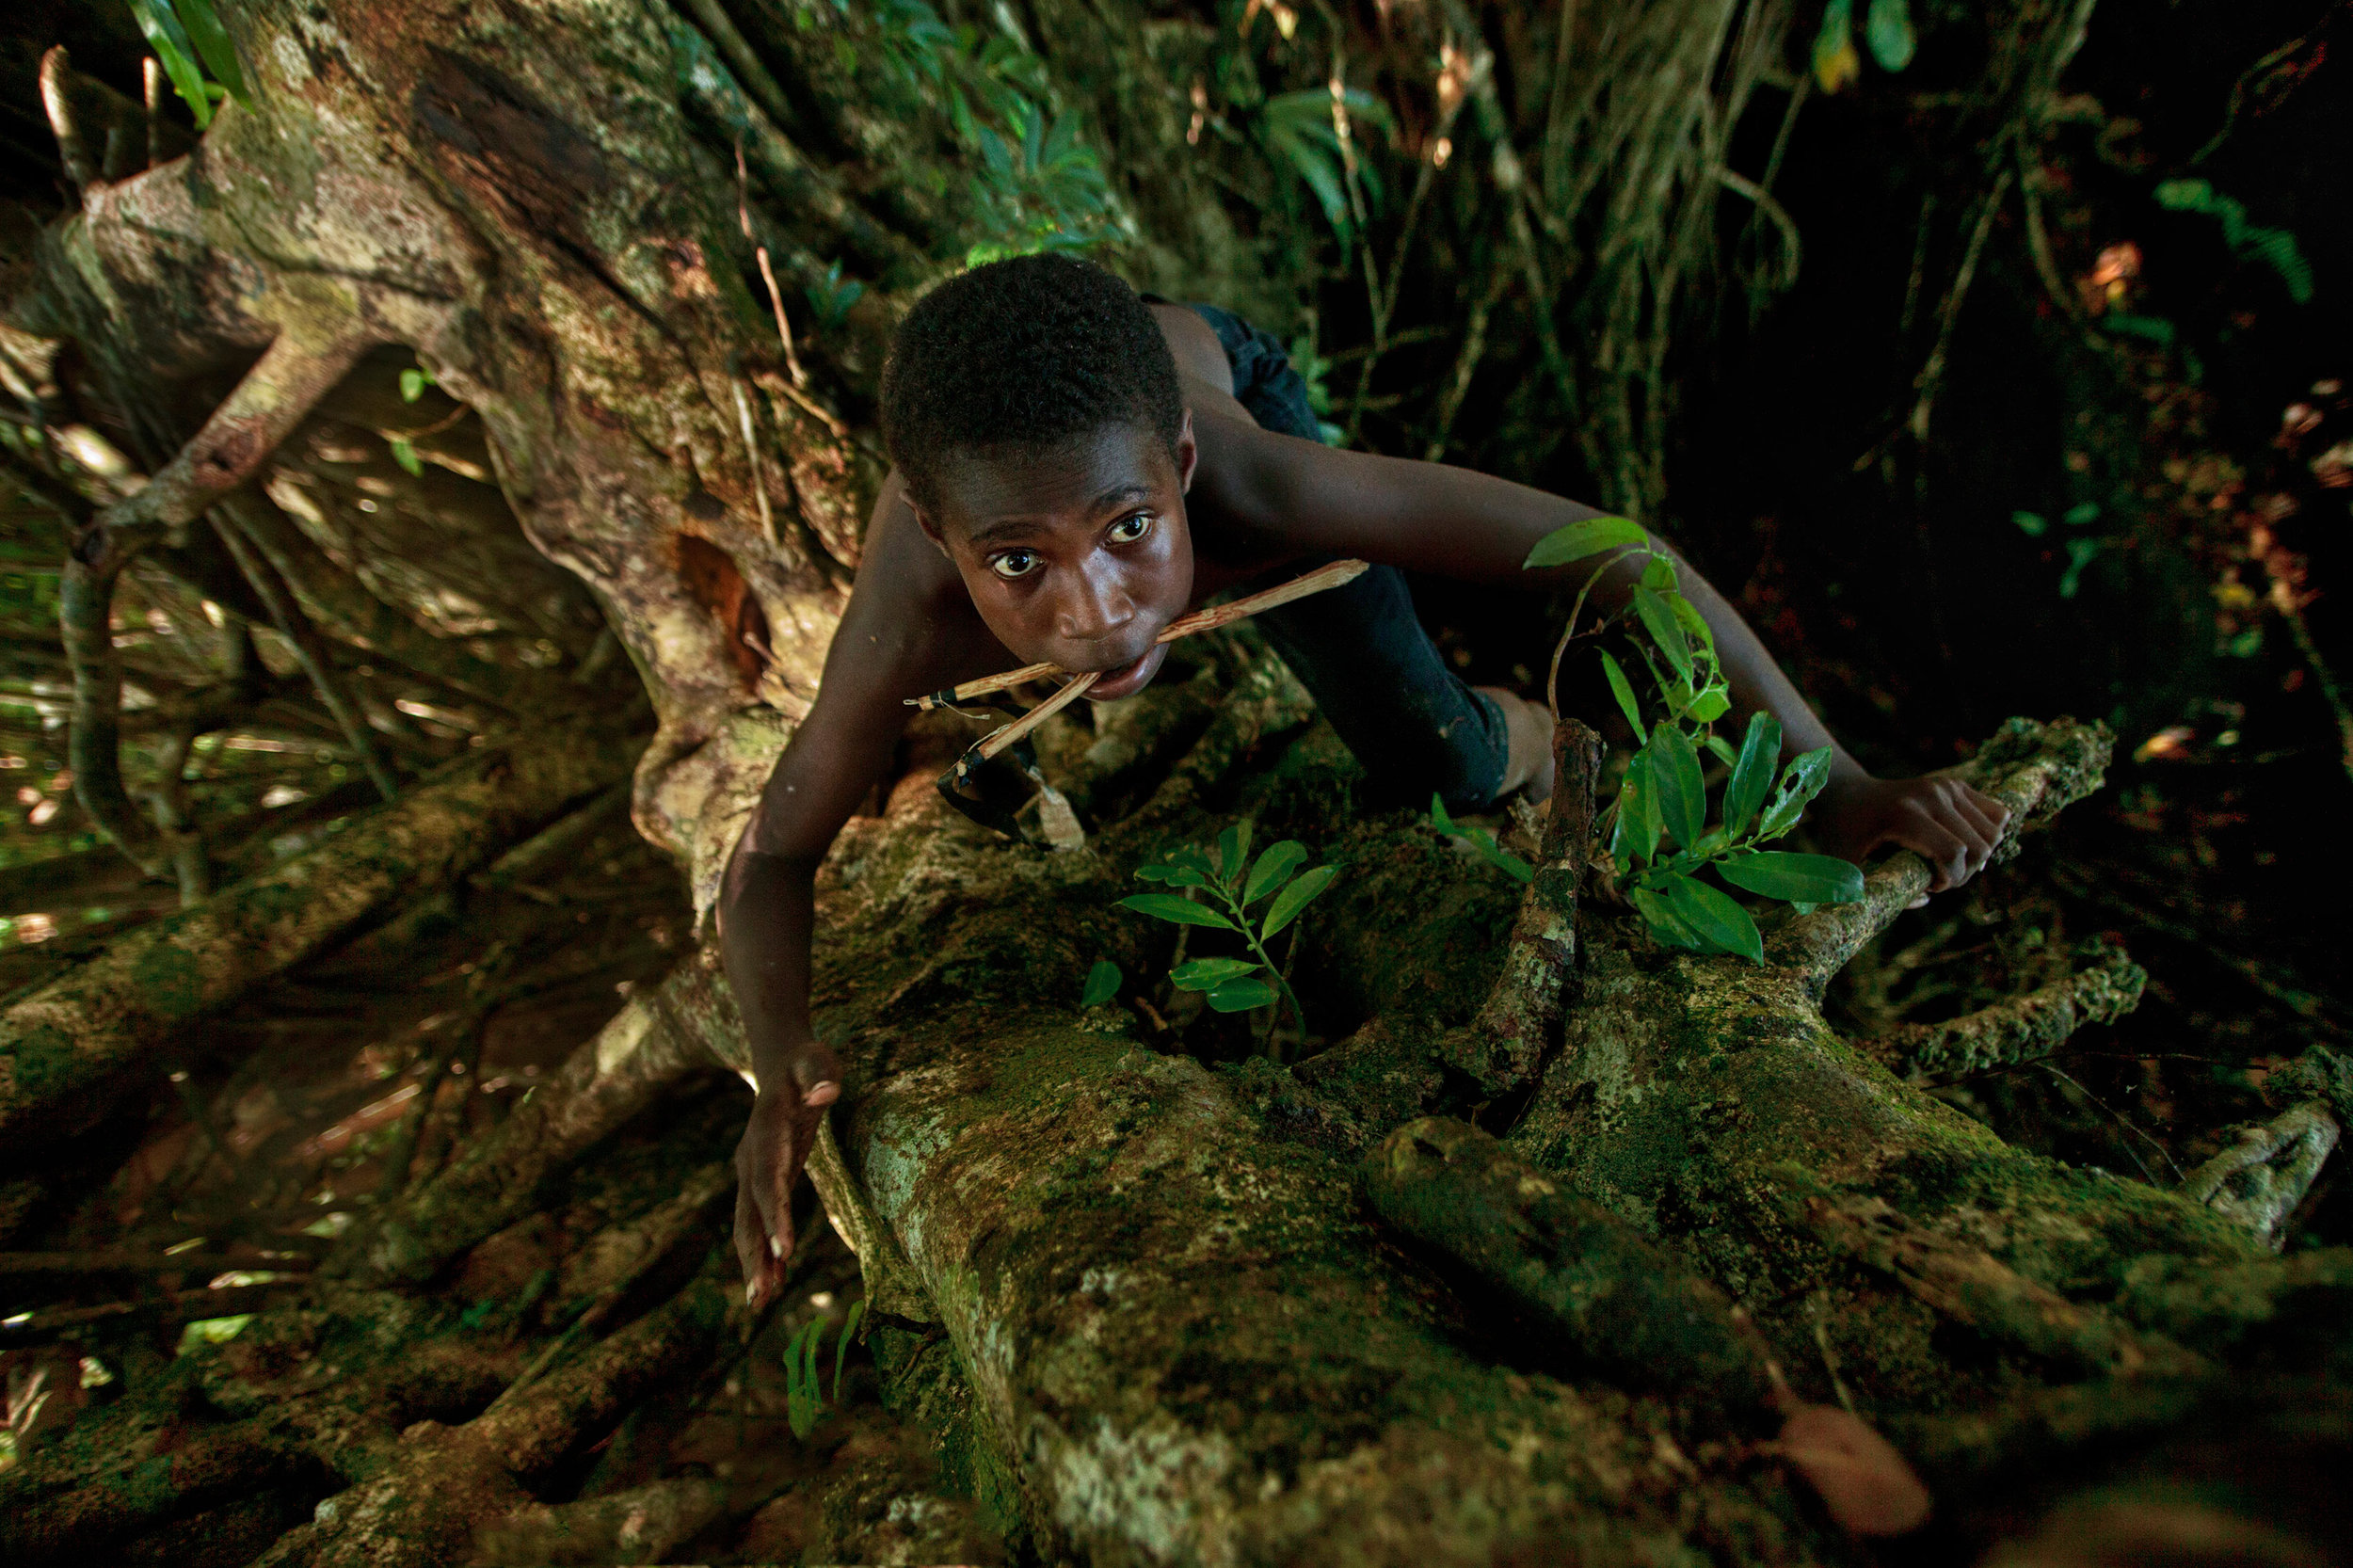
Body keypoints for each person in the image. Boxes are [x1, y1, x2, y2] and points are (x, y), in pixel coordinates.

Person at [720, 253, 2009, 1305]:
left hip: (1215, 372)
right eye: (1018, 565)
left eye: (1127, 535)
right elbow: (771, 857)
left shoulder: (1262, 490)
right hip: (1070, 443)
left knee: (1437, 760)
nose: (1097, 609)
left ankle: (1530, 727)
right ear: (944, 542)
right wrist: (781, 1066)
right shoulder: (908, 622)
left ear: (1175, 476)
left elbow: (1612, 552)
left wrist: (1839, 781)